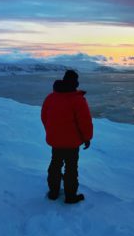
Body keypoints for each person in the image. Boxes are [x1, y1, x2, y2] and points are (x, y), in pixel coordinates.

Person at [41, 70, 93, 204]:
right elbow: (85, 122)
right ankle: (70, 196)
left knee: (55, 164)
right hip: (72, 143)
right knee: (71, 168)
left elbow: (44, 117)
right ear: (75, 82)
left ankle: (53, 192)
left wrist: (51, 131)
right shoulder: (77, 100)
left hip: (56, 141)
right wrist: (87, 138)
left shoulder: (51, 97)